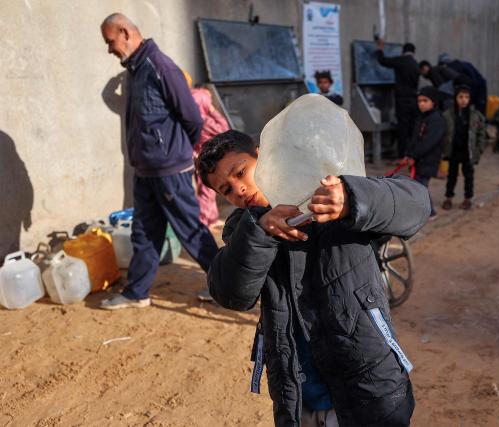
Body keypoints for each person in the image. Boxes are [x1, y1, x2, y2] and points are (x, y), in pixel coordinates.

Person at [197, 129, 427, 426]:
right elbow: (231, 293)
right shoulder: (243, 228)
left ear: (263, 154)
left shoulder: (328, 193)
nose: (238, 189)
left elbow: (416, 204)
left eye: (241, 172)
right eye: (226, 189)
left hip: (369, 386)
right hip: (299, 396)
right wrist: (259, 232)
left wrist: (353, 200)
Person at [99, 13, 218, 308]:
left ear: (125, 32)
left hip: (169, 171)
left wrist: (175, 152)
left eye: (110, 41)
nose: (109, 49)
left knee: (190, 230)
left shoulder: (159, 66)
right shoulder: (136, 69)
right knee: (144, 232)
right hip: (145, 170)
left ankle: (227, 287)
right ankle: (136, 292)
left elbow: (192, 116)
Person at [190, 86, 230, 232]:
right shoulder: (206, 121)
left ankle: (211, 219)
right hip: (209, 159)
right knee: (207, 192)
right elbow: (223, 127)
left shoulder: (191, 120)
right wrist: (213, 110)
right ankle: (204, 222)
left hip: (197, 157)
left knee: (207, 189)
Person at [403, 86, 446, 220]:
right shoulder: (421, 118)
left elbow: (428, 142)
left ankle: (430, 212)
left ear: (433, 102)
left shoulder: (436, 120)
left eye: (425, 100)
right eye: (419, 101)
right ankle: (425, 211)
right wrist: (408, 154)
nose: (421, 103)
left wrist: (414, 156)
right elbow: (415, 138)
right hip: (419, 159)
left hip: (428, 160)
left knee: (420, 186)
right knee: (418, 185)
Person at [441, 85, 486, 210]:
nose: (463, 100)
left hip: (468, 151)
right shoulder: (448, 115)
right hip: (454, 150)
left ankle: (468, 199)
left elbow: (481, 133)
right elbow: (443, 133)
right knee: (452, 175)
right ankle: (448, 197)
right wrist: (444, 149)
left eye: (466, 97)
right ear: (455, 98)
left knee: (469, 176)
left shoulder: (475, 115)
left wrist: (479, 149)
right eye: (460, 97)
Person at [375, 39, 421, 157]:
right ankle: (411, 154)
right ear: (413, 52)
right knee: (412, 127)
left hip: (402, 99)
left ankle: (402, 155)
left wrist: (380, 49)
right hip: (414, 99)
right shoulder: (416, 64)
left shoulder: (401, 61)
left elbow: (382, 60)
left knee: (402, 127)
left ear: (403, 51)